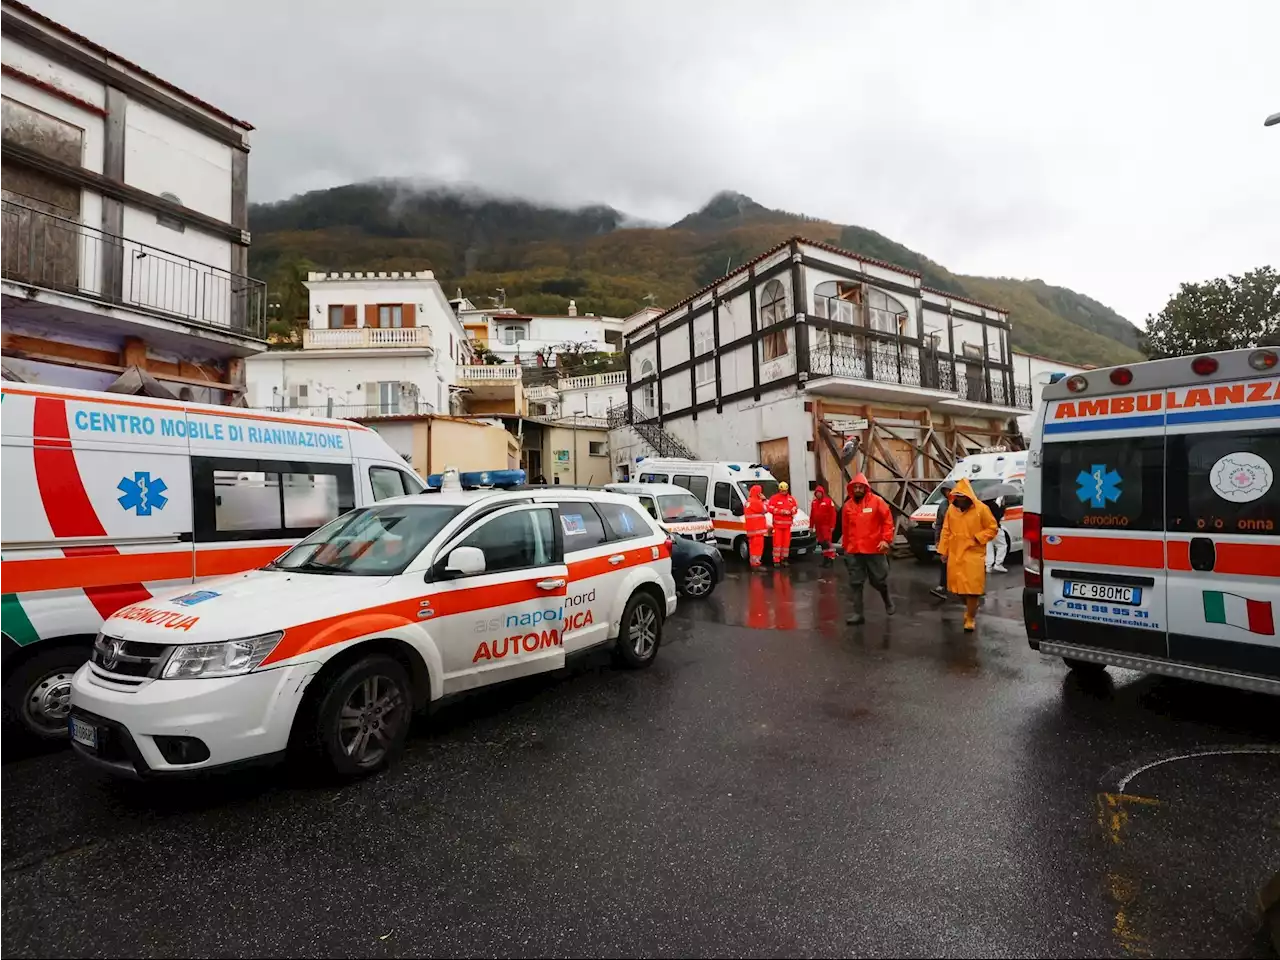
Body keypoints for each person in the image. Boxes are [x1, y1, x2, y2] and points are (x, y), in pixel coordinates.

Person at [936, 476, 999, 632]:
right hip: (956, 553)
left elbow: (992, 529)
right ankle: (970, 608)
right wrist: (943, 550)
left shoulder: (982, 509)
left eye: (963, 497)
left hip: (973, 554)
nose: (960, 500)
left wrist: (977, 538)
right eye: (958, 497)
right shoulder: (951, 509)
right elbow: (946, 530)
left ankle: (970, 617)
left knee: (973, 590)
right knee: (957, 589)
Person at [840, 473, 895, 625]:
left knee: (878, 580)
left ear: (866, 488)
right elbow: (845, 528)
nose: (858, 489)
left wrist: (886, 540)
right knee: (855, 582)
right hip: (854, 550)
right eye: (855, 487)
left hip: (874, 549)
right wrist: (845, 547)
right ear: (851, 489)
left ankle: (887, 599)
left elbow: (887, 521)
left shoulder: (877, 502)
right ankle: (858, 614)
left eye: (860, 487)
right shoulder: (847, 506)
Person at [930, 478, 957, 600]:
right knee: (944, 562)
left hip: (958, 539)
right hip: (945, 538)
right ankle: (942, 585)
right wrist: (937, 540)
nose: (948, 493)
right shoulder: (943, 505)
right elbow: (939, 524)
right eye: (945, 491)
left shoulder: (960, 504)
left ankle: (960, 587)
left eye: (949, 490)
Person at [766, 481, 799, 566]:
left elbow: (795, 507)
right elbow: (770, 508)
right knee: (777, 544)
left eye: (785, 490)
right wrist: (781, 511)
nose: (784, 492)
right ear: (779, 490)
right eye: (782, 490)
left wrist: (792, 511)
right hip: (778, 526)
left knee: (786, 544)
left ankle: (784, 559)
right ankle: (776, 560)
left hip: (787, 526)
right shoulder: (774, 498)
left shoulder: (791, 499)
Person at [810, 485, 838, 567]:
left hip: (826, 526)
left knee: (827, 543)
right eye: (817, 493)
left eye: (819, 493)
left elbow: (833, 514)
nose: (818, 494)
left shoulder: (828, 501)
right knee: (822, 543)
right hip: (818, 527)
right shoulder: (814, 502)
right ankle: (825, 560)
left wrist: (832, 525)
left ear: (822, 493)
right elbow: (812, 515)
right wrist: (811, 526)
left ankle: (831, 559)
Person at [983, 493, 1009, 574]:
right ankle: (998, 563)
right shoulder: (993, 505)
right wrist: (1003, 507)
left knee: (989, 546)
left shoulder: (982, 506)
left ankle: (988, 566)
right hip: (995, 528)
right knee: (1002, 545)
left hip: (985, 529)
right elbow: (999, 515)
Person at [744, 484, 768, 569]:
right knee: (758, 547)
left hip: (751, 529)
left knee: (752, 547)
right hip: (757, 529)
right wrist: (764, 500)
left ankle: (753, 562)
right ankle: (756, 563)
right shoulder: (756, 501)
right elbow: (765, 509)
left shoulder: (748, 501)